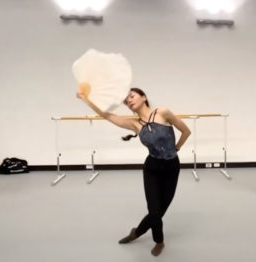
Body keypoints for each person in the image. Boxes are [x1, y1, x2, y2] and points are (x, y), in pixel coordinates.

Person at [77, 87, 191, 256]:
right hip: (152, 168)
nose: (129, 101)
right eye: (126, 101)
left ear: (144, 97)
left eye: (131, 96)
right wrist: (85, 99)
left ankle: (137, 232)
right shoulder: (135, 124)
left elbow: (186, 131)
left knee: (159, 212)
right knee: (154, 211)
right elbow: (107, 115)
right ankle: (159, 241)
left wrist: (177, 148)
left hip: (171, 168)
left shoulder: (163, 112)